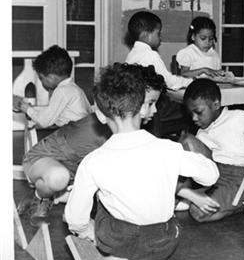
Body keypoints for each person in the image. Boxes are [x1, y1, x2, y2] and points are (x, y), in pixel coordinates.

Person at [64, 63, 219, 260]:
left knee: (95, 202)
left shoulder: (93, 161)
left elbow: (74, 218)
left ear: (100, 115)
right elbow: (211, 176)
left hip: (118, 240)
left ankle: (122, 256)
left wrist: (86, 231)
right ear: (144, 107)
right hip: (166, 240)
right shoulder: (168, 148)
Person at [18, 64, 165, 227]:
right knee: (58, 178)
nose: (154, 110)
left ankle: (60, 195)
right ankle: (39, 197)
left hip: (79, 170)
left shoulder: (134, 125)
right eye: (150, 103)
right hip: (46, 158)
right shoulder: (112, 120)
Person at [180, 79, 244, 222]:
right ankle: (189, 193)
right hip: (215, 177)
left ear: (216, 104)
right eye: (190, 113)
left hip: (238, 181)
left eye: (198, 112)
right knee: (186, 141)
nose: (194, 118)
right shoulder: (202, 132)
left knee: (198, 212)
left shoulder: (239, 118)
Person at [12, 45, 91, 129]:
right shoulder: (74, 89)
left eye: (41, 78)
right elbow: (50, 113)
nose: (41, 82)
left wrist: (21, 105)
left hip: (76, 134)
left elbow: (44, 122)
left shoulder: (62, 91)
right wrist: (31, 110)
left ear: (51, 78)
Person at [125, 11, 192, 91]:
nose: (160, 38)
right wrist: (192, 82)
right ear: (146, 35)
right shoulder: (150, 55)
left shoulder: (132, 54)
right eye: (158, 34)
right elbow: (168, 81)